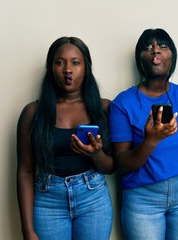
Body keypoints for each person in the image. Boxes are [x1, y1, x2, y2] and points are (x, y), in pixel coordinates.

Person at [109, 28, 178, 240]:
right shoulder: (122, 103)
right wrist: (151, 141)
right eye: (148, 48)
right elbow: (122, 163)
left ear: (172, 56)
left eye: (162, 47)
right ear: (140, 58)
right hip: (142, 199)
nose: (155, 51)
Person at [16, 36, 114, 240]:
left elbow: (111, 167)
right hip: (48, 201)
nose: (67, 69)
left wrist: (96, 154)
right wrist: (28, 230)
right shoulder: (33, 113)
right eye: (59, 62)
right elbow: (25, 171)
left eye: (75, 62)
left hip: (93, 198)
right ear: (51, 68)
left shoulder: (104, 108)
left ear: (86, 68)